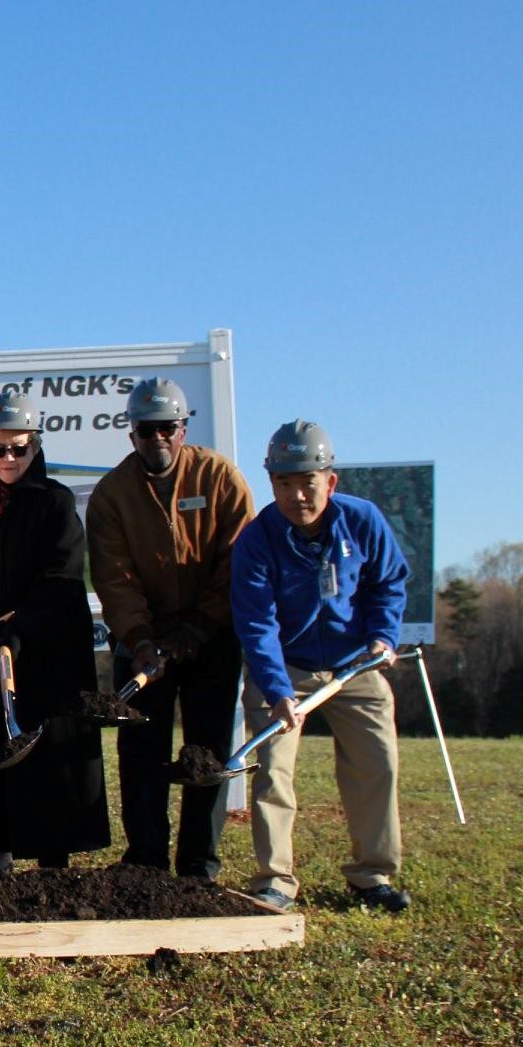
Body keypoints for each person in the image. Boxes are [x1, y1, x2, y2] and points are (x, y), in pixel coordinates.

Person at [231, 419, 411, 913]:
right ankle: (274, 880)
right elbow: (256, 623)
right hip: (285, 668)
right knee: (273, 773)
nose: (296, 496)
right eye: (283, 484)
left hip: (356, 666)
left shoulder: (364, 521)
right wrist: (275, 688)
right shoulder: (256, 541)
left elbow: (388, 583)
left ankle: (371, 876)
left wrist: (382, 635)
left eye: (307, 482)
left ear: (329, 481)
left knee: (376, 764)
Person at [86, 377, 254, 880]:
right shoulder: (112, 494)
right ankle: (146, 859)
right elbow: (114, 578)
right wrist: (139, 641)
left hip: (212, 632)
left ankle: (199, 862)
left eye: (167, 429)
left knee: (207, 750)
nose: (156, 439)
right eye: (145, 431)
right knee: (140, 752)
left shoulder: (219, 477)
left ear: (182, 429)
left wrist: (201, 627)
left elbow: (238, 560)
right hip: (144, 640)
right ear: (131, 433)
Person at [0, 392, 112, 872]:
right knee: (2, 747)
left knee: (51, 752)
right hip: (1, 647)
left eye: (18, 449)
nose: (8, 459)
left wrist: (20, 624)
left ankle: (54, 860)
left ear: (35, 446)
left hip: (51, 649)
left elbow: (63, 575)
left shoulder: (56, 502)